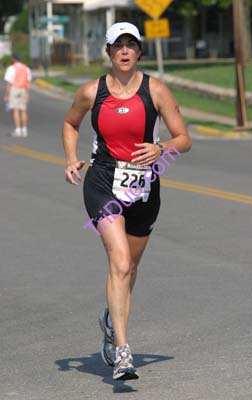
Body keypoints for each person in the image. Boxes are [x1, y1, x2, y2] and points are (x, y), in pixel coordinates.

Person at [62, 22, 192, 381]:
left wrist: (162, 147)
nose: (124, 51)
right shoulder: (92, 92)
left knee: (129, 269)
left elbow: (184, 138)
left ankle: (109, 319)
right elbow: (71, 123)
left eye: (130, 44)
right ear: (108, 52)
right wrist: (71, 157)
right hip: (103, 180)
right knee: (119, 262)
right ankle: (122, 352)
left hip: (143, 187)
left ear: (139, 52)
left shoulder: (157, 91)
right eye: (117, 45)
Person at [4, 53, 32, 137]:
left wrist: (6, 95)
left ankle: (18, 130)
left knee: (15, 110)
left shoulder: (11, 68)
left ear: (13, 59)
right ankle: (24, 130)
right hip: (23, 89)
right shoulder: (26, 68)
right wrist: (27, 94)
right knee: (23, 110)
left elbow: (8, 83)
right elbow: (28, 82)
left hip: (14, 89)